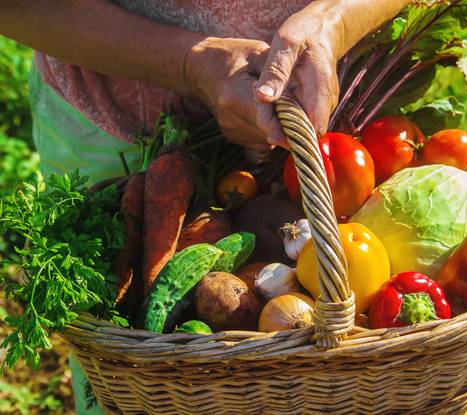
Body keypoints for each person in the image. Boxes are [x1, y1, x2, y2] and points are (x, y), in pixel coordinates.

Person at [2, 0, 411, 413]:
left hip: (323, 118)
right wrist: (188, 63)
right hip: (112, 113)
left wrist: (335, 19)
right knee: (115, 343)